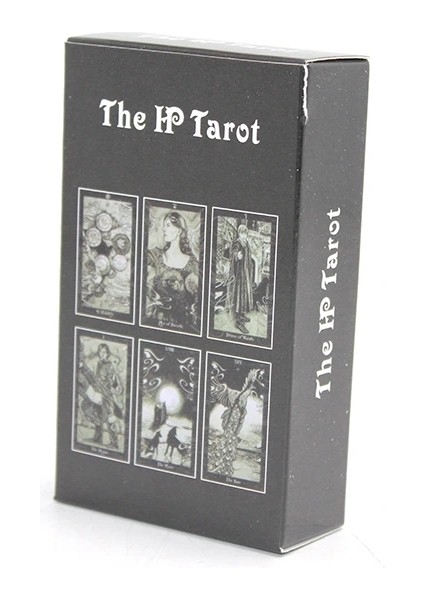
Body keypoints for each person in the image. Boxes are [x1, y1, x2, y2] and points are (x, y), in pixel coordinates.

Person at [146, 212, 199, 329]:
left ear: (179, 231)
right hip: (158, 321)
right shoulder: (156, 255)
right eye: (164, 225)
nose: (164, 229)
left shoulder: (192, 262)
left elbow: (198, 294)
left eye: (168, 225)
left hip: (183, 323)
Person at [78, 343, 123, 449]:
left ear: (107, 353)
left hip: (106, 395)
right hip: (98, 392)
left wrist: (114, 388)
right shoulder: (99, 364)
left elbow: (113, 382)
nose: (101, 354)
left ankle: (114, 443)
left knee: (109, 418)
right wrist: (83, 368)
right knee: (97, 413)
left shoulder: (109, 366)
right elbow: (96, 378)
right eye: (100, 352)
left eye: (104, 352)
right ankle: (98, 437)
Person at [228, 224, 254, 333]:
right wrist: (236, 256)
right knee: (240, 298)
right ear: (239, 233)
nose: (244, 235)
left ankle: (242, 316)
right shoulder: (237, 243)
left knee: (245, 297)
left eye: (245, 233)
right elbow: (232, 253)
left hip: (246, 273)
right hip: (240, 275)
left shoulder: (246, 243)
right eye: (242, 233)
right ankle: (239, 323)